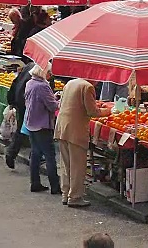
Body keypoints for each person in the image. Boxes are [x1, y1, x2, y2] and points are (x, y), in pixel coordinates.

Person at [55, 79, 111, 207]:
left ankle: (65, 194)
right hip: (76, 130)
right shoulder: (87, 87)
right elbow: (93, 112)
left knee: (66, 164)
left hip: (62, 127)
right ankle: (75, 197)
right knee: (77, 166)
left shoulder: (71, 83)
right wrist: (108, 111)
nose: (98, 82)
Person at [24, 64, 60, 193]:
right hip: (42, 125)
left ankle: (35, 182)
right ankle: (55, 186)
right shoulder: (43, 86)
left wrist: (52, 97)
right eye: (49, 72)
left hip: (31, 123)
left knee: (35, 154)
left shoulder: (30, 83)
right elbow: (52, 107)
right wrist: (60, 101)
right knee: (50, 156)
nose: (50, 75)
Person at [5, 62, 35, 169]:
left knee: (21, 128)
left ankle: (11, 153)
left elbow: (16, 82)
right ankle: (35, 157)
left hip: (20, 99)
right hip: (29, 103)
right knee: (37, 130)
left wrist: (11, 101)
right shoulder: (43, 72)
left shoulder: (29, 66)